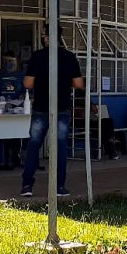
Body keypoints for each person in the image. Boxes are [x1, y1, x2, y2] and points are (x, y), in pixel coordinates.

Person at [20, 24, 83, 197]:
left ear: (48, 37)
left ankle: (27, 185)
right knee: (61, 148)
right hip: (62, 108)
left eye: (44, 35)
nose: (43, 37)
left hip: (41, 107)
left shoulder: (38, 56)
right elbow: (78, 84)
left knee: (33, 146)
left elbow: (27, 83)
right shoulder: (70, 57)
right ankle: (59, 187)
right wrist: (63, 82)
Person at [0, 51, 25, 169]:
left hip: (17, 108)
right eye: (7, 61)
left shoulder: (21, 74)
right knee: (2, 134)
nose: (9, 63)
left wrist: (22, 98)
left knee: (17, 134)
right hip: (1, 108)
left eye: (12, 61)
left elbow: (25, 90)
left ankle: (15, 158)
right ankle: (2, 160)